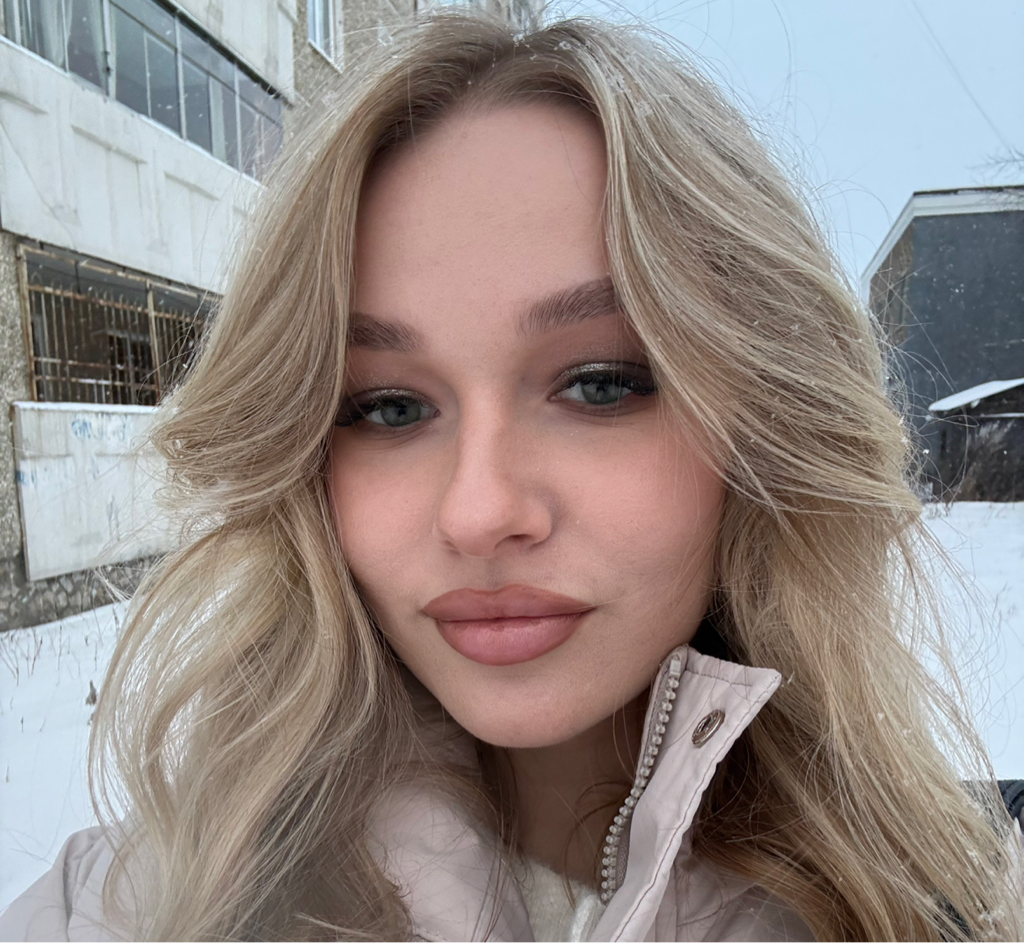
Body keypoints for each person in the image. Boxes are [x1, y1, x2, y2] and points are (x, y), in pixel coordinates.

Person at [1, 12, 1021, 942]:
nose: (480, 512)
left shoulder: (950, 900)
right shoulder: (136, 907)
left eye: (600, 383)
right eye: (388, 407)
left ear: (762, 421)